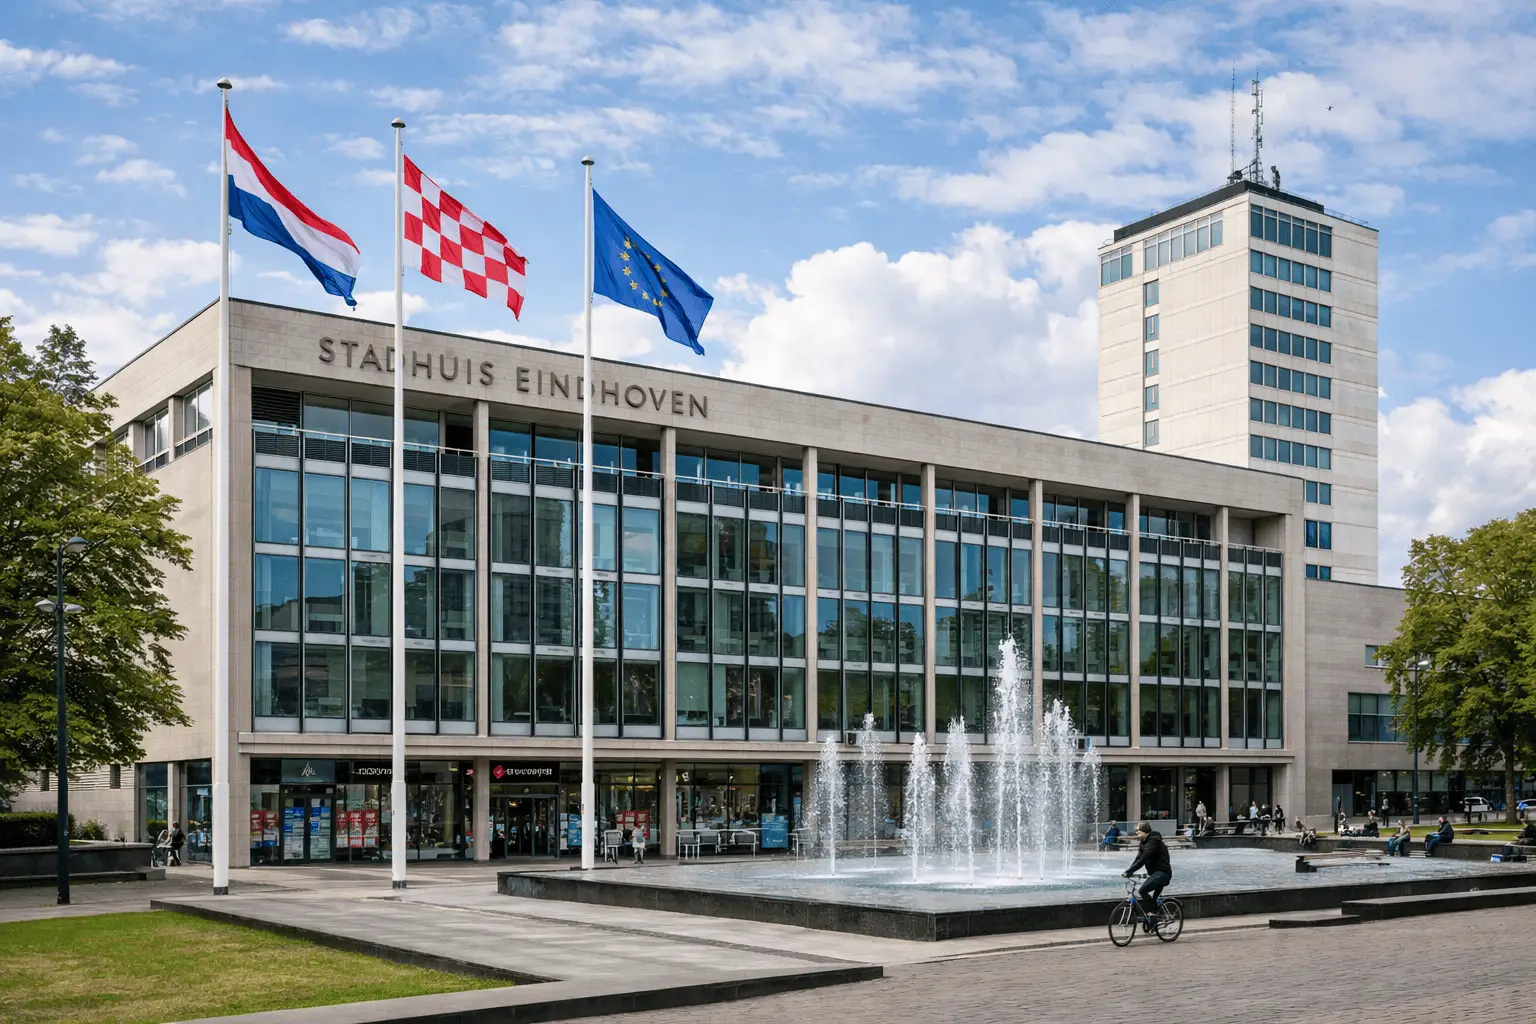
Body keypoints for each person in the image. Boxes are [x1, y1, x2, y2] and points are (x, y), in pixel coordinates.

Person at [1122, 822, 1172, 929]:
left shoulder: (1154, 841)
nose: (1136, 833)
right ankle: (1152, 918)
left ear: (1144, 831)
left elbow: (1144, 858)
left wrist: (1130, 871)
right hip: (1155, 874)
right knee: (1152, 899)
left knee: (1142, 890)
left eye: (1138, 831)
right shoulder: (1144, 842)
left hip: (1162, 873)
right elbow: (1138, 858)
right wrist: (1129, 870)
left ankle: (1152, 916)